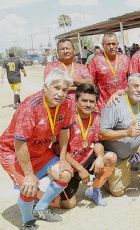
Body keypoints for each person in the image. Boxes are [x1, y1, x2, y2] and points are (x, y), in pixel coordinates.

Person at [0, 69, 74, 229]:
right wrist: (28, 175)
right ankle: (27, 221)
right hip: (14, 153)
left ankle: (40, 208)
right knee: (29, 186)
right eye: (56, 87)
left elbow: (64, 131)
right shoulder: (30, 107)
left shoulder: (67, 103)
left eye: (64, 89)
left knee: (65, 173)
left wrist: (62, 160)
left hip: (39, 151)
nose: (61, 93)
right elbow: (19, 143)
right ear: (45, 87)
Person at [99, 73, 140, 196]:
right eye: (136, 86)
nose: (139, 90)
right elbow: (102, 134)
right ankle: (104, 178)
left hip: (135, 148)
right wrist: (125, 133)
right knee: (118, 192)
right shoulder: (115, 104)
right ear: (127, 87)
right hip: (118, 156)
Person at [55, 84, 117, 208]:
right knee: (69, 204)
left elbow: (98, 141)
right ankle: (41, 196)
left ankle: (95, 190)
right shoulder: (67, 118)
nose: (88, 104)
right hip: (69, 163)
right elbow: (58, 149)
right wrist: (80, 169)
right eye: (84, 100)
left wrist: (99, 156)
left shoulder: (96, 117)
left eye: (91, 101)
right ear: (76, 100)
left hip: (86, 159)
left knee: (110, 157)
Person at [88, 33, 130, 111]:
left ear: (117, 44)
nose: (111, 47)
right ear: (103, 45)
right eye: (108, 44)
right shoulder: (95, 61)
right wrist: (93, 103)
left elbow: (131, 81)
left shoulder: (126, 59)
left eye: (113, 44)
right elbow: (90, 84)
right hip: (104, 106)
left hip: (124, 104)